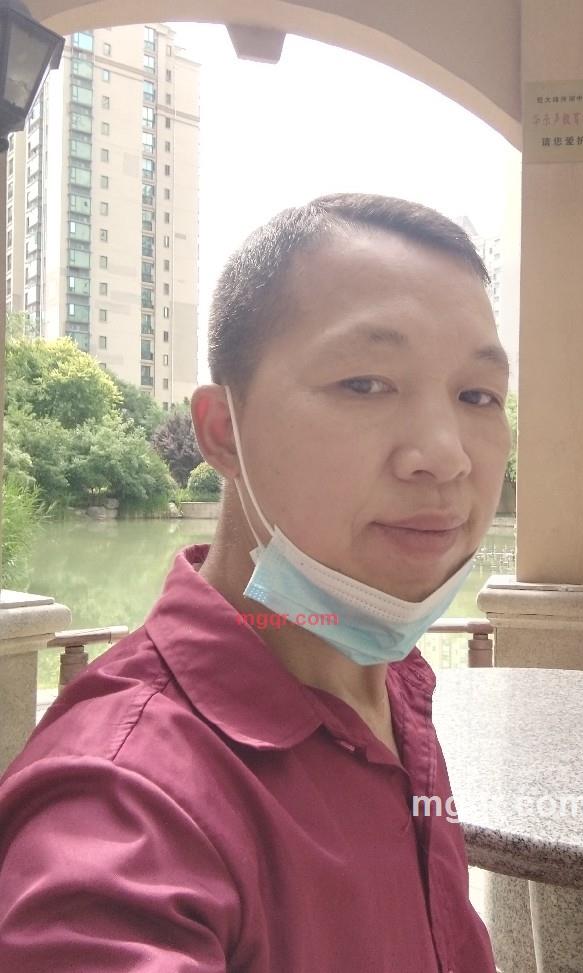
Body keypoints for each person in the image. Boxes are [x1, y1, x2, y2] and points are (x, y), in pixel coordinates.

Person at [0, 193, 512, 971]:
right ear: (222, 432)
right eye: (366, 383)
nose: (446, 455)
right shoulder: (123, 797)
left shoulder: (393, 681)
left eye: (477, 395)